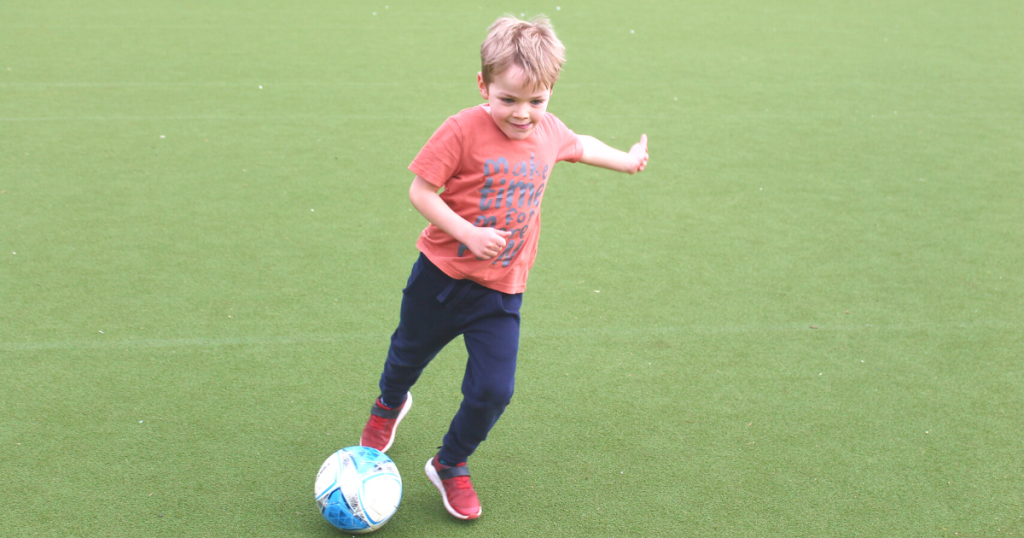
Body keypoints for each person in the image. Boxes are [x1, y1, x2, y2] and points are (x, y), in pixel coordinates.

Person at [359, 14, 648, 520]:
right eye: (508, 99)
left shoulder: (548, 131)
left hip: (501, 291)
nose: (522, 114)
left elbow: (579, 145)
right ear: (483, 85)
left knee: (494, 390)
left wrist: (626, 159)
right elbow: (420, 192)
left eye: (536, 101)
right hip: (441, 278)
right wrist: (466, 232)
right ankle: (389, 404)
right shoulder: (460, 130)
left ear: (550, 94)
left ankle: (450, 463)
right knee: (407, 354)